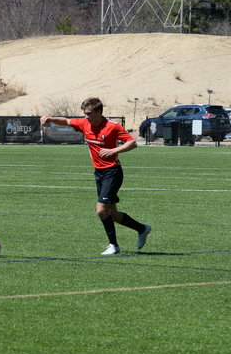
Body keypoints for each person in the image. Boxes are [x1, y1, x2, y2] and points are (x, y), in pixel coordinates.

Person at [40, 97, 151, 255]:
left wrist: (113, 151)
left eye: (89, 113)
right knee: (113, 214)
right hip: (99, 173)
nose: (86, 116)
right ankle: (142, 229)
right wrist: (50, 119)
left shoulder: (112, 126)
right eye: (85, 113)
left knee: (101, 210)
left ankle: (114, 245)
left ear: (99, 112)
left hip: (112, 172)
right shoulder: (84, 123)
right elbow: (66, 121)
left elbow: (132, 143)